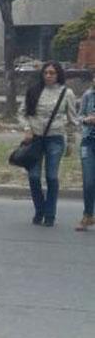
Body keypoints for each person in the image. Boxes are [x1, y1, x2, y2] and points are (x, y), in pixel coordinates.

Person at [19, 61, 77, 227]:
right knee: (34, 176)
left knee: (51, 176)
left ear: (58, 75)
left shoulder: (66, 93)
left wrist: (71, 142)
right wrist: (27, 128)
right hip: (35, 139)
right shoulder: (34, 90)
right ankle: (40, 210)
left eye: (52, 73)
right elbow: (22, 113)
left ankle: (50, 214)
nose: (49, 76)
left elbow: (72, 120)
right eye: (46, 73)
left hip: (55, 139)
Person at [77, 82, 95, 232]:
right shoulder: (88, 95)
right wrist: (86, 120)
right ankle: (88, 215)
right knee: (88, 181)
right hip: (88, 142)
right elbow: (78, 116)